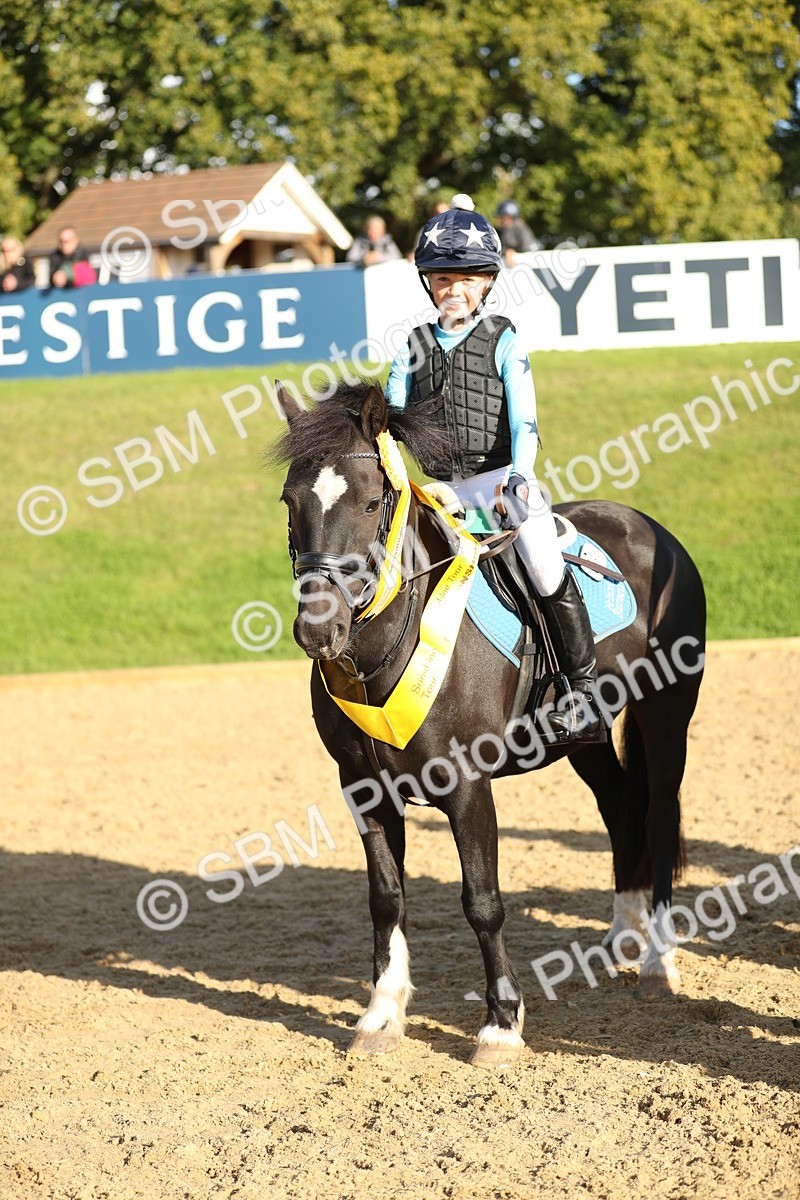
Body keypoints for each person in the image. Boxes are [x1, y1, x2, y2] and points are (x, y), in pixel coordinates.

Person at [384, 194, 606, 744]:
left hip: (500, 482)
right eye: (441, 279)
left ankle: (582, 692)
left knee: (542, 560)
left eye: (465, 279)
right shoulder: (409, 350)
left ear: (486, 283)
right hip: (439, 492)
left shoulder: (504, 339)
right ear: (427, 284)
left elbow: (524, 422)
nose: (452, 290)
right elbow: (386, 426)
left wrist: (520, 476)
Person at [495, 199, 540, 267]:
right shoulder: (503, 230)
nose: (500, 220)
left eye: (502, 217)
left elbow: (528, 248)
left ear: (509, 217)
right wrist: (506, 251)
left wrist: (512, 252)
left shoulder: (520, 228)